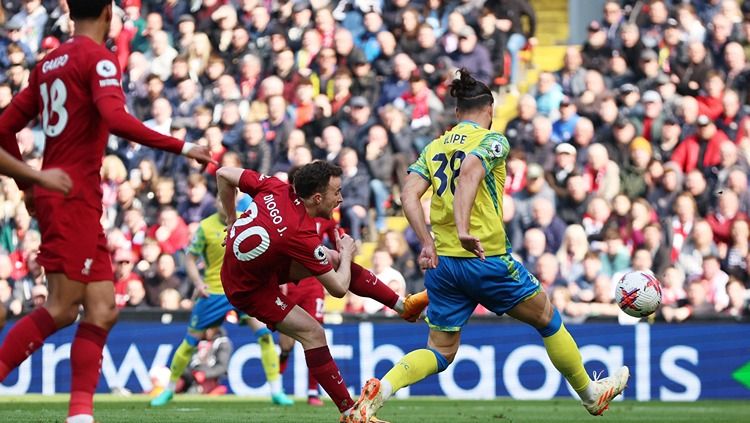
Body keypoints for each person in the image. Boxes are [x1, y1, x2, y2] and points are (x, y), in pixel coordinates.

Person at [350, 69, 629, 423]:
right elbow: (469, 171)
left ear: (456, 112)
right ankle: (591, 394)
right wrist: (465, 228)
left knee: (440, 350)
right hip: (485, 257)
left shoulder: (435, 146)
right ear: (490, 109)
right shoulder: (493, 141)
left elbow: (408, 194)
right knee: (547, 318)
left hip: (444, 264)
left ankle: (381, 390)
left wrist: (426, 243)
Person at [0, 2, 213, 423]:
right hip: (71, 196)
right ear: (107, 16)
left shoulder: (47, 63)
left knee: (102, 309)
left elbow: (5, 126)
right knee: (62, 307)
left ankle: (80, 414)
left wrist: (27, 183)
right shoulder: (97, 57)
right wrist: (183, 146)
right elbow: (115, 117)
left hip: (74, 197)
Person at [216, 161, 428, 422]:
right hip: (249, 288)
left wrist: (230, 218)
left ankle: (402, 306)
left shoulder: (276, 187)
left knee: (333, 259)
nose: (340, 199)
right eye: (336, 192)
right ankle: (349, 412)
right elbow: (338, 289)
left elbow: (223, 174)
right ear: (317, 198)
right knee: (313, 332)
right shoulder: (300, 233)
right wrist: (348, 254)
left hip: (258, 265)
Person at [150, 198, 293, 408]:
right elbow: (190, 259)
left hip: (244, 290)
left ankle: (276, 391)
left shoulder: (247, 221)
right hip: (214, 293)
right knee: (190, 342)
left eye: (231, 198)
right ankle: (169, 389)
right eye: (221, 198)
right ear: (216, 202)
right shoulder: (206, 227)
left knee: (264, 336)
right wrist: (198, 284)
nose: (225, 202)